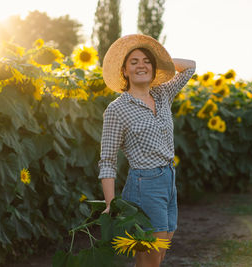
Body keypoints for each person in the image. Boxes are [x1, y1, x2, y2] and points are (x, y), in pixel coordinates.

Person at [98, 34, 196, 267]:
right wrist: (111, 204)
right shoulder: (117, 109)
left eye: (146, 61)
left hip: (168, 180)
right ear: (124, 71)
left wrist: (161, 60)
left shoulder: (162, 95)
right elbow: (107, 160)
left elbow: (190, 67)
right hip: (145, 184)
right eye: (134, 62)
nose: (141, 65)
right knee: (150, 258)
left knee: (158, 254)